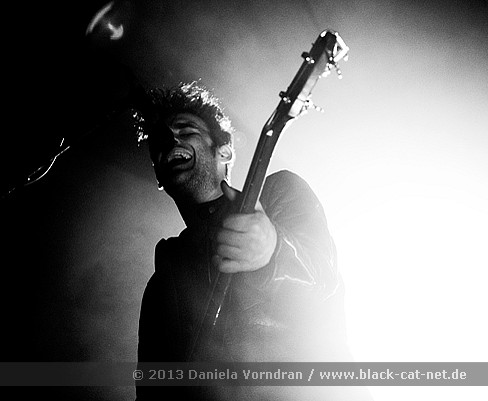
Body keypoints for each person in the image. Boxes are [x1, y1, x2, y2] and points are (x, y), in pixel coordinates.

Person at [134, 81, 371, 400]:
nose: (170, 139)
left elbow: (323, 276)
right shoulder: (163, 283)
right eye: (159, 141)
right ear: (157, 175)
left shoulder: (278, 194)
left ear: (225, 151)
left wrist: (273, 249)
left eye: (186, 130)